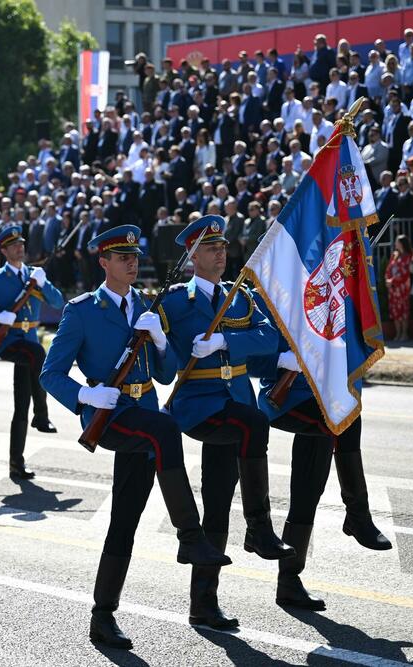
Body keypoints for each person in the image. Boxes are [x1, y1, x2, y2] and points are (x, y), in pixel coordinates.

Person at [40, 224, 230, 649]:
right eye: (122, 257)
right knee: (165, 428)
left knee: (124, 519)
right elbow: (50, 374)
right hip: (111, 415)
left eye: (135, 256)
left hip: (143, 416)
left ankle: (102, 616)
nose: (131, 262)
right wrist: (86, 394)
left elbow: (167, 373)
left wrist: (161, 341)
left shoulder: (147, 305)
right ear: (103, 262)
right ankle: (190, 537)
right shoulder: (83, 310)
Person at [159, 216, 292, 629]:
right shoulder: (175, 303)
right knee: (255, 424)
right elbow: (163, 368)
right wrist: (162, 340)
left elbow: (268, 338)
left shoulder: (241, 298)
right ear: (192, 257)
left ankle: (203, 604)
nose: (221, 253)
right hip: (198, 406)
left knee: (217, 502)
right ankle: (258, 528)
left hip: (233, 401)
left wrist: (226, 341)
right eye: (211, 248)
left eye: (223, 247)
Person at [249, 325, 392, 612]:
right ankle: (357, 514)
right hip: (288, 397)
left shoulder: (331, 296)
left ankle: (288, 581)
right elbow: (251, 355)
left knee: (308, 487)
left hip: (323, 399)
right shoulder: (279, 291)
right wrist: (281, 359)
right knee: (344, 419)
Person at [0, 225, 65, 477]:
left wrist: (44, 283)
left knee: (21, 403)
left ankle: (16, 463)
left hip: (29, 342)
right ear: (4, 251)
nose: (20, 248)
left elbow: (58, 302)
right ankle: (42, 415)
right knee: (37, 354)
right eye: (14, 245)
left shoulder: (34, 276)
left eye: (22, 243)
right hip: (9, 341)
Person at [384, 235, 413, 341]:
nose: (395, 244)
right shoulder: (394, 255)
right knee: (395, 311)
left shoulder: (408, 256)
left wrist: (393, 281)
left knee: (403, 311)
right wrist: (387, 279)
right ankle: (398, 333)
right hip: (392, 289)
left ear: (401, 243)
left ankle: (404, 334)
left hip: (402, 288)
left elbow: (405, 272)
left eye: (397, 242)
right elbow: (388, 269)